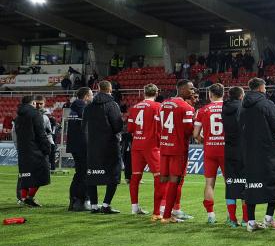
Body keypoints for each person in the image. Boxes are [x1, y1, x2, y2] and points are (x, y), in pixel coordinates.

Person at [241, 77, 275, 231]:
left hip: (248, 151)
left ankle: (251, 222)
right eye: (265, 87)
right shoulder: (267, 104)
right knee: (274, 183)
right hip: (267, 151)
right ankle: (268, 219)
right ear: (261, 88)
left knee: (251, 185)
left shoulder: (243, 105)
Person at [157, 79, 196, 223]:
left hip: (165, 146)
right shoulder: (186, 107)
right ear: (182, 89)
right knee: (176, 181)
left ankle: (159, 210)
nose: (193, 91)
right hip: (178, 148)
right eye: (190, 88)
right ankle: (168, 215)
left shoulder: (163, 105)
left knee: (164, 180)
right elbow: (188, 130)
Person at [83, 80, 124, 214]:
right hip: (109, 145)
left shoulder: (88, 106)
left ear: (98, 89)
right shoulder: (112, 105)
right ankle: (106, 205)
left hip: (92, 146)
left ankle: (94, 206)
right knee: (113, 174)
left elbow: (83, 127)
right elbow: (117, 126)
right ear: (110, 89)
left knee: (92, 175)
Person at [126, 84, 162, 217]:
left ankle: (134, 208)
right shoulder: (158, 107)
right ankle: (157, 211)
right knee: (159, 177)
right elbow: (160, 127)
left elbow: (130, 129)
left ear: (144, 93)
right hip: (152, 146)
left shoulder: (134, 108)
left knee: (135, 176)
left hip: (137, 145)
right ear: (156, 93)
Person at [194, 83, 226, 224]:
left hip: (210, 149)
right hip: (226, 149)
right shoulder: (229, 108)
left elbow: (195, 134)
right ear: (223, 94)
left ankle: (211, 215)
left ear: (210, 94)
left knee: (209, 183)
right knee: (230, 183)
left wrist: (204, 140)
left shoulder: (202, 110)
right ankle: (232, 216)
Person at [15, 95, 53, 207]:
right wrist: (47, 148)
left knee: (25, 175)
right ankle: (29, 198)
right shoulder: (35, 114)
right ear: (32, 103)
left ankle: (23, 198)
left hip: (23, 149)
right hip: (35, 150)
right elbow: (40, 134)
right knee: (42, 173)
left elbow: (15, 133)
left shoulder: (18, 116)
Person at [222, 85, 248, 227]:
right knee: (244, 184)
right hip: (242, 150)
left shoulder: (224, 108)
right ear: (240, 96)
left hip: (229, 150)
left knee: (231, 184)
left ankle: (232, 220)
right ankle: (245, 219)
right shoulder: (242, 108)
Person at [66, 87, 92, 211]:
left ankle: (73, 199)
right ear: (86, 96)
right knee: (85, 173)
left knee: (79, 173)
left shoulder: (73, 108)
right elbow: (89, 124)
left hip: (74, 144)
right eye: (91, 95)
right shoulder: (82, 107)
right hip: (83, 145)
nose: (92, 97)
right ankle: (82, 200)